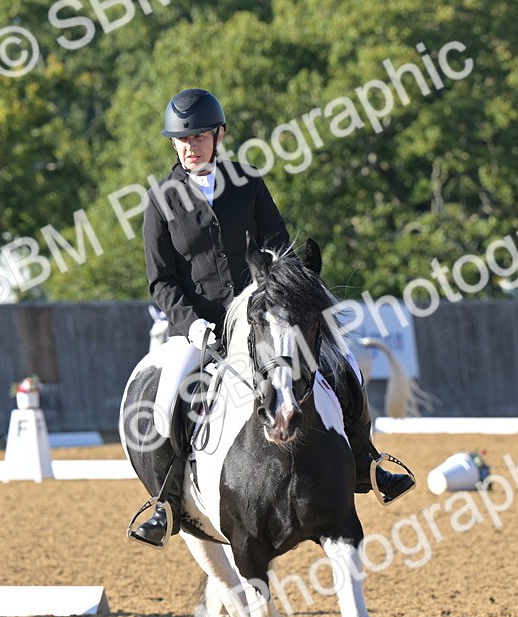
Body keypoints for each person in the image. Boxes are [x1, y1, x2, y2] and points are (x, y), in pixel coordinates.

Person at [128, 88, 415, 548]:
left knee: (345, 368)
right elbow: (160, 282)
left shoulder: (247, 182)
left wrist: (280, 301)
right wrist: (192, 325)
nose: (189, 147)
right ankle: (165, 502)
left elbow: (279, 250)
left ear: (219, 135)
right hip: (200, 327)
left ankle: (370, 461)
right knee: (165, 399)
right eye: (181, 139)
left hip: (264, 320)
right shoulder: (160, 200)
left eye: (199, 137)